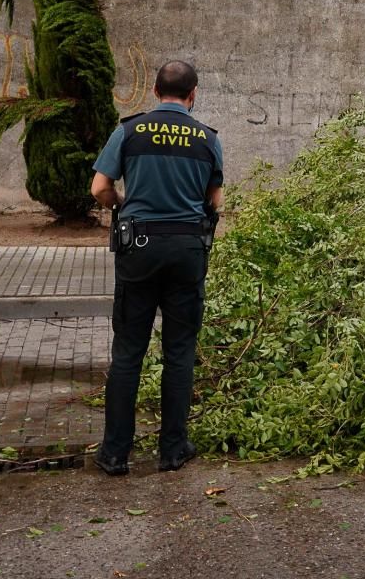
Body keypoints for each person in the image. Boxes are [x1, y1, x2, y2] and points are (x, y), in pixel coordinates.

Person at [89, 60, 224, 475]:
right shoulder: (207, 138)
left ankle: (115, 454)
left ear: (153, 90)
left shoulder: (128, 131)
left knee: (129, 352)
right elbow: (216, 202)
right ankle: (172, 449)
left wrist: (120, 205)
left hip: (139, 251)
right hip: (186, 252)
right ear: (193, 94)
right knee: (179, 352)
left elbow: (99, 188)